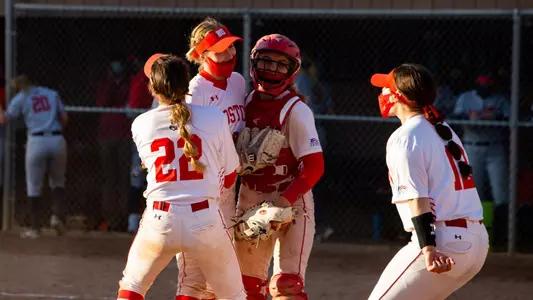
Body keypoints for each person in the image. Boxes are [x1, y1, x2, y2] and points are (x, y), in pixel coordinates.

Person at [117, 54, 246, 300]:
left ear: (152, 88)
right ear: (187, 85)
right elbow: (231, 175)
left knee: (132, 287)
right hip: (206, 218)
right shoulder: (215, 117)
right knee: (234, 296)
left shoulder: (141, 123)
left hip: (160, 219)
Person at [367, 64, 489, 300]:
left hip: (444, 242)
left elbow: (418, 198)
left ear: (397, 96)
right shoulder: (442, 128)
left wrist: (428, 248)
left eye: (384, 88)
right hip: (476, 243)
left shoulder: (405, 137)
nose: (380, 94)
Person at [235, 34, 324, 300]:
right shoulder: (244, 103)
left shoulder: (296, 109)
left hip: (292, 199)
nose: (271, 70)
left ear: (292, 70)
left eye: (279, 65)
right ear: (253, 64)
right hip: (251, 196)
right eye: (266, 62)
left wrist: (282, 203)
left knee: (287, 285)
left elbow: (314, 166)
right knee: (248, 286)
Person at [174, 17, 246, 300]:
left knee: (223, 271)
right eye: (220, 50)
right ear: (202, 55)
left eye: (230, 47)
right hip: (202, 190)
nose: (229, 54)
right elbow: (188, 146)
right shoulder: (196, 93)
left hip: (228, 188)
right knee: (196, 272)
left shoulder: (238, 82)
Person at [0, 75, 68, 239]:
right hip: (57, 138)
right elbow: (65, 118)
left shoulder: (22, 97)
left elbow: (3, 119)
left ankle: (35, 228)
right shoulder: (51, 93)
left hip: (36, 140)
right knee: (58, 182)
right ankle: (56, 217)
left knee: (34, 185)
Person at [453, 72, 510, 248]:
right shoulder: (466, 98)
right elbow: (455, 117)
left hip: (494, 147)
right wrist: (471, 116)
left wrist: (494, 117)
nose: (485, 87)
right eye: (482, 84)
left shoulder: (500, 100)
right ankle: (473, 237)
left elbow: (509, 117)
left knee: (501, 193)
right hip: (472, 146)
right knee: (472, 192)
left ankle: (500, 239)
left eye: (488, 84)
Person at [294, 53, 335, 243]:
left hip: (306, 137)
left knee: (304, 183)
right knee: (313, 182)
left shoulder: (301, 80)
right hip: (320, 136)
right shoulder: (319, 84)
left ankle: (309, 226)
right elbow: (330, 110)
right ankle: (318, 226)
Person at [96, 53, 133, 231]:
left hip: (125, 135)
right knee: (109, 179)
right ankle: (109, 219)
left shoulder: (130, 84)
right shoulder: (106, 84)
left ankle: (125, 219)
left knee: (124, 178)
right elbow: (102, 102)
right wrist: (112, 82)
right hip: (107, 135)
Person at [127, 55, 154, 234]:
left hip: (152, 141)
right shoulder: (140, 82)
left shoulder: (175, 90)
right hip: (145, 140)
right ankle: (133, 222)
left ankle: (147, 222)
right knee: (139, 179)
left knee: (152, 182)